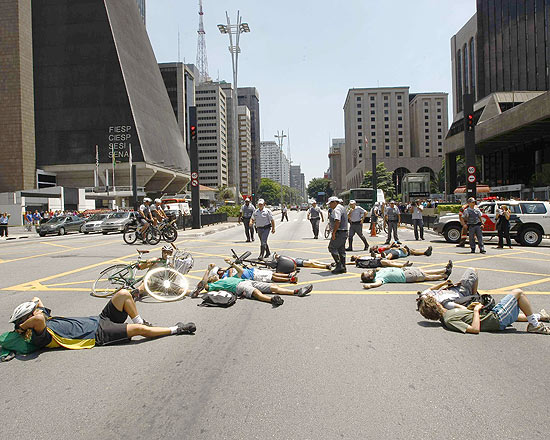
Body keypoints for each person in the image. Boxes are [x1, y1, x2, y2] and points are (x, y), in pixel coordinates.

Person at [9, 294, 196, 352]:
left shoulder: (40, 319)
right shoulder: (38, 335)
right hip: (99, 334)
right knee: (138, 330)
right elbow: (39, 318)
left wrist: (33, 306)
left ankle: (143, 322)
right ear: (27, 322)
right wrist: (21, 326)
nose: (37, 312)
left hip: (98, 319)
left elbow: (37, 299)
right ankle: (177, 329)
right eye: (31, 314)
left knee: (123, 294)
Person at [419, 288, 550, 334]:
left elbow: (466, 315)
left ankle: (539, 317)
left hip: (491, 316)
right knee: (518, 293)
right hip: (496, 318)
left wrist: (472, 308)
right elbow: (474, 329)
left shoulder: (447, 315)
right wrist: (476, 311)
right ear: (436, 304)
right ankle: (535, 325)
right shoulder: (449, 319)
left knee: (512, 314)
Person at [193, 264, 313, 306]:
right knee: (256, 293)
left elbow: (241, 272)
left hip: (246, 281)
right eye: (212, 277)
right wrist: (208, 270)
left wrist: (233, 264)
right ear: (211, 280)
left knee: (273, 287)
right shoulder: (216, 285)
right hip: (239, 287)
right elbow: (204, 284)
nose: (215, 276)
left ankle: (296, 292)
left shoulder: (228, 277)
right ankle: (272, 300)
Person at [416, 268, 481, 315]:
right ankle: (475, 295)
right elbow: (460, 307)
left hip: (454, 288)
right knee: (472, 270)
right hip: (463, 292)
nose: (428, 295)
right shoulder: (444, 303)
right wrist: (475, 311)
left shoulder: (424, 294)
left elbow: (431, 288)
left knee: (471, 272)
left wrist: (444, 283)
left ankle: (474, 295)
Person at [361, 260, 453, 289]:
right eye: (368, 273)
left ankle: (444, 269)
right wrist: (369, 285)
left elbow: (381, 268)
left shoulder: (377, 273)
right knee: (425, 277)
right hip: (406, 277)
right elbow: (378, 284)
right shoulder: (378, 279)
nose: (369, 271)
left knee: (424, 271)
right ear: (370, 277)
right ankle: (444, 276)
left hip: (404, 270)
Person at [218, 258, 298, 283]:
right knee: (271, 277)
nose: (222, 269)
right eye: (220, 269)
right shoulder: (225, 277)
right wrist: (230, 269)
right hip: (252, 276)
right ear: (219, 273)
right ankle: (289, 279)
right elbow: (231, 277)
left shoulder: (228, 271)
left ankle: (289, 275)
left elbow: (235, 268)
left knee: (271, 273)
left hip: (253, 271)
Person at [327, 196, 349, 274]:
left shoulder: (337, 209)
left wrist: (334, 232)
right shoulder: (342, 207)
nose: (329, 205)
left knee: (332, 247)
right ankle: (343, 267)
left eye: (330, 204)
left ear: (335, 202)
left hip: (339, 232)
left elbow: (337, 221)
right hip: (344, 232)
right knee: (341, 250)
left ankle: (339, 265)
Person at [348, 255, 412, 269]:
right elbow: (352, 263)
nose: (357, 255)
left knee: (390, 262)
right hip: (375, 262)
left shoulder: (362, 258)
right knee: (389, 263)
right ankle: (403, 265)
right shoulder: (359, 261)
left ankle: (403, 264)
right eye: (355, 256)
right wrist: (345, 263)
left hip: (376, 260)